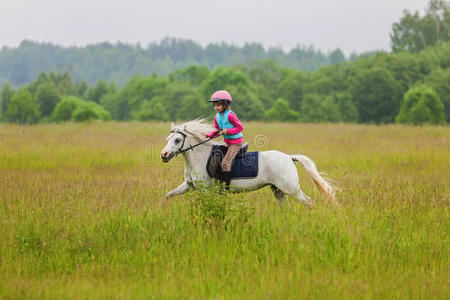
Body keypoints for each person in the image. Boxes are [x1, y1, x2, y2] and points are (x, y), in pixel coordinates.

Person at [205, 90, 244, 191]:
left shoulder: (230, 115)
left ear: (225, 104)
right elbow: (217, 131)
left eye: (218, 105)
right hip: (226, 143)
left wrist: (228, 131)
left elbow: (240, 127)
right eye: (214, 105)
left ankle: (226, 188)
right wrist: (209, 136)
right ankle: (217, 182)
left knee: (225, 163)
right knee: (214, 159)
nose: (216, 107)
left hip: (235, 143)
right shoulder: (216, 116)